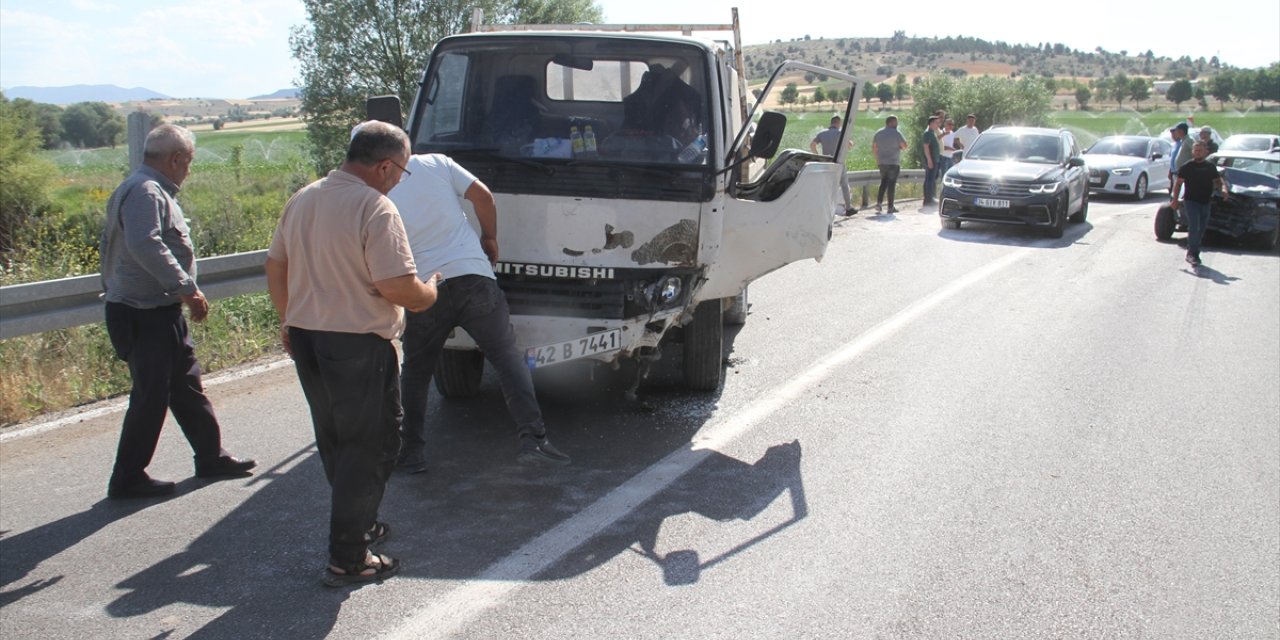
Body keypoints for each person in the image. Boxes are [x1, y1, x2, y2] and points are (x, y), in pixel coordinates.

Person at [265, 120, 440, 587]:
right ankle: (348, 557)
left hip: (306, 337)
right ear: (385, 165)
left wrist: (288, 318)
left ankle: (358, 524)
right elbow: (396, 286)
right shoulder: (375, 207)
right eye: (402, 170)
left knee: (337, 439)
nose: (401, 178)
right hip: (357, 343)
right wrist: (429, 293)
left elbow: (275, 264)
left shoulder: (303, 198)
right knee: (373, 445)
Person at [99, 124, 256, 499]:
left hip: (155, 310)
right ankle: (127, 477)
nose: (188, 170)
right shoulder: (146, 191)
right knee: (151, 396)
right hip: (143, 313)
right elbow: (144, 243)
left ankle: (210, 456)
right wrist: (187, 288)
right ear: (174, 159)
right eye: (188, 162)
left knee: (185, 385)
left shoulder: (142, 186)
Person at [388, 153, 571, 472]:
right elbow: (483, 196)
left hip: (425, 286)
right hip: (473, 276)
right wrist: (489, 237)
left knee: (417, 371)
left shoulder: (374, 184)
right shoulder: (436, 163)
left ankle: (411, 453)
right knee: (506, 358)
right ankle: (534, 440)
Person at [1170, 141, 1228, 266]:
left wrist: (1223, 189)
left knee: (1201, 228)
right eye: (1196, 150)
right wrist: (1175, 200)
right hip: (1191, 201)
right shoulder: (1187, 167)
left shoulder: (1210, 167)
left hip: (1206, 201)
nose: (1198, 153)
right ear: (1192, 152)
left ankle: (1194, 249)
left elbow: (1218, 180)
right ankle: (1192, 253)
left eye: (1200, 150)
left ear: (1206, 152)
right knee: (1194, 226)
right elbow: (1178, 184)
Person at [810, 116, 856, 215]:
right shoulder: (841, 133)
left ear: (831, 123)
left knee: (827, 186)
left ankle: (825, 209)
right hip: (839, 162)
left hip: (827, 162)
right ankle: (848, 208)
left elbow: (812, 145)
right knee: (844, 185)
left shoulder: (822, 133)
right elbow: (850, 145)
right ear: (839, 123)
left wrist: (818, 156)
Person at [871, 115, 909, 214]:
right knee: (891, 184)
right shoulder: (896, 133)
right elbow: (904, 145)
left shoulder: (878, 133)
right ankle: (890, 207)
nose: (897, 124)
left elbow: (874, 147)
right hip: (893, 162)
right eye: (896, 122)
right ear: (891, 122)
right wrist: (899, 147)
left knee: (883, 183)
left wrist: (877, 159)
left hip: (882, 162)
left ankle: (879, 203)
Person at [921, 115, 942, 206]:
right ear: (932, 123)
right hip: (931, 159)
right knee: (930, 179)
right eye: (937, 123)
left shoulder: (932, 132)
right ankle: (928, 199)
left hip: (935, 158)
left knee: (932, 179)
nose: (938, 124)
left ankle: (930, 198)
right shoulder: (928, 133)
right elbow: (926, 147)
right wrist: (929, 160)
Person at [1168, 122, 1194, 188]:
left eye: (1176, 131)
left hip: (1185, 173)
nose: (1175, 133)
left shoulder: (1189, 140)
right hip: (1178, 173)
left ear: (1181, 131)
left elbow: (1195, 152)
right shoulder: (1183, 141)